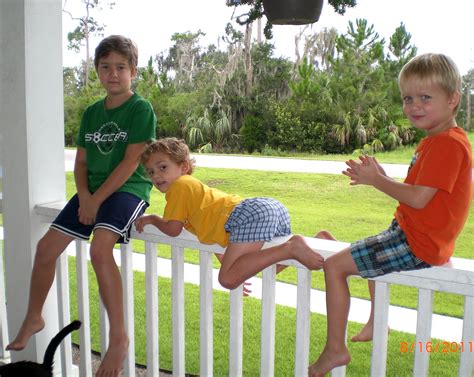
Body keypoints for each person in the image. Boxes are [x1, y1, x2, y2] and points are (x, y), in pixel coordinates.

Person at [309, 53, 472, 376]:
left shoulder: (445, 145)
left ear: (453, 99)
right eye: (408, 98)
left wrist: (376, 181)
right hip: (413, 233)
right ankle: (376, 321)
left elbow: (419, 199)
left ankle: (335, 349)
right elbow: (423, 191)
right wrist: (383, 176)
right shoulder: (438, 141)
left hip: (418, 242)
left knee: (335, 265)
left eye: (426, 97)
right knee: (365, 251)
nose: (414, 106)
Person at [7, 35, 157, 377]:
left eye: (121, 67)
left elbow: (131, 162)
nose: (113, 74)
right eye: (106, 67)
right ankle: (34, 315)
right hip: (91, 191)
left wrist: (96, 200)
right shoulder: (91, 113)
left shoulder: (140, 109)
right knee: (46, 248)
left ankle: (119, 339)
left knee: (100, 251)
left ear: (133, 71)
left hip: (126, 190)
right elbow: (80, 164)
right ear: (97, 72)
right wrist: (85, 196)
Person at [134, 137, 324, 289]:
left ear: (184, 167)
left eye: (163, 167)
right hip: (266, 209)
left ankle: (292, 247)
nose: (156, 175)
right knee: (266, 269)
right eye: (150, 172)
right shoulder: (194, 196)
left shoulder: (180, 186)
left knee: (227, 279)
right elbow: (212, 234)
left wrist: (153, 218)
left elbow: (173, 228)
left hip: (248, 214)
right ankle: (320, 239)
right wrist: (237, 271)